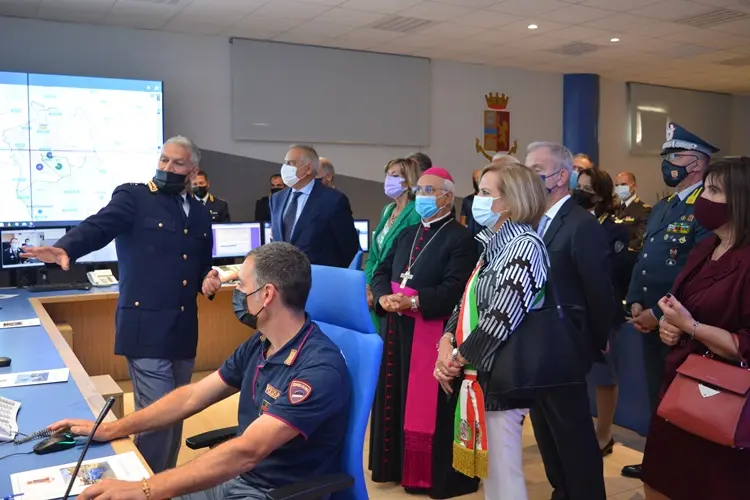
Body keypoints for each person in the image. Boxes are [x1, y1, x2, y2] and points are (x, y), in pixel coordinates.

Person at [48, 242, 351, 500]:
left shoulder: (318, 369)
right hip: (237, 478)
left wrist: (145, 489)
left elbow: (247, 451)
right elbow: (191, 397)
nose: (237, 294)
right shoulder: (262, 344)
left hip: (270, 492)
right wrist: (112, 429)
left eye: (242, 287)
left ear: (267, 295)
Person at [21, 136, 222, 473]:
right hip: (144, 328)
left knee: (174, 415)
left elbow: (200, 261)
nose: (166, 168)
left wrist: (209, 276)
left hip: (183, 328)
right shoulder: (135, 197)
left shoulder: (201, 212)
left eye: (177, 163)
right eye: (163, 160)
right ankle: (147, 489)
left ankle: (160, 483)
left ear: (193, 170)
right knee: (156, 417)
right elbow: (100, 225)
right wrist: (67, 247)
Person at [435, 161, 550, 500]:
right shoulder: (492, 244)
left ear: (511, 202)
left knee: (504, 472)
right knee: (494, 475)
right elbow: (465, 299)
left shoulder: (525, 245)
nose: (477, 200)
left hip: (502, 374)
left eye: (486, 193)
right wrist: (445, 340)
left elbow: (502, 317)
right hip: (479, 371)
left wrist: (456, 358)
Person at [641, 157, 750, 500]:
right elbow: (683, 307)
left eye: (715, 190)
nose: (704, 198)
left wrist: (691, 326)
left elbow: (743, 343)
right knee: (659, 478)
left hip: (725, 398)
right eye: (705, 187)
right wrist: (671, 329)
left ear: (741, 200)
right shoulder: (707, 247)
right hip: (680, 383)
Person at [369, 166, 479, 499]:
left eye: (429, 191)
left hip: (431, 333)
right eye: (419, 190)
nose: (422, 196)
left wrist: (414, 303)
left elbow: (454, 290)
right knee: (393, 395)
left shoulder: (461, 240)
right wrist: (382, 296)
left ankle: (428, 476)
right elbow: (382, 269)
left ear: (447, 197)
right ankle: (394, 466)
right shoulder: (407, 233)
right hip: (395, 331)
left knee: (427, 407)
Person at [621, 122, 716, 480]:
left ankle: (683, 468)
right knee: (656, 395)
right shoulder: (664, 206)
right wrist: (633, 301)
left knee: (681, 398)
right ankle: (658, 461)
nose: (667, 162)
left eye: (674, 155)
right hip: (648, 317)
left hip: (678, 322)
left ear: (696, 162)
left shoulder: (706, 206)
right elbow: (645, 256)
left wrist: (658, 313)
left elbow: (695, 269)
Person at [524, 141, 613, 500]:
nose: (528, 178)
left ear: (560, 177)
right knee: (548, 437)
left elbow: (598, 292)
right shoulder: (533, 222)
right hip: (536, 350)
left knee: (574, 440)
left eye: (535, 171)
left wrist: (589, 345)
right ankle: (562, 491)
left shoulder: (580, 225)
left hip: (566, 350)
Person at [574, 168, 630, 456]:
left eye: (587, 188)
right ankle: (582, 431)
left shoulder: (615, 227)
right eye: (579, 186)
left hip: (603, 310)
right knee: (577, 376)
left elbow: (614, 273)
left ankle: (604, 434)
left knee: (604, 376)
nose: (581, 192)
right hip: (575, 311)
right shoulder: (573, 221)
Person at [269, 145, 359, 268]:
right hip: (283, 279)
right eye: (285, 162)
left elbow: (348, 246)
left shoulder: (333, 200)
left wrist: (330, 274)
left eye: (291, 163)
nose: (285, 167)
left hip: (318, 278)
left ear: (308, 169)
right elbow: (275, 240)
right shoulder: (277, 199)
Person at [364, 158, 421, 329]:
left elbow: (406, 256)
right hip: (375, 285)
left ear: (409, 180)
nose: (389, 180)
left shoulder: (416, 211)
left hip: (394, 290)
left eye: (394, 175)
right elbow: (374, 255)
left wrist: (380, 290)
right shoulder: (387, 210)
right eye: (387, 175)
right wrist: (368, 285)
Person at [614, 171, 651, 252]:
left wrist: (617, 249)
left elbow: (640, 239)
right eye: (617, 185)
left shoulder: (644, 210)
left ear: (634, 186)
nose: (619, 188)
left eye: (623, 184)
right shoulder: (612, 208)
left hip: (629, 256)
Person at [459, 169, 482, 237]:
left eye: (478, 178)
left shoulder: (490, 199)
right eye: (474, 179)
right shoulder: (467, 200)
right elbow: (462, 222)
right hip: (470, 237)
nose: (476, 181)